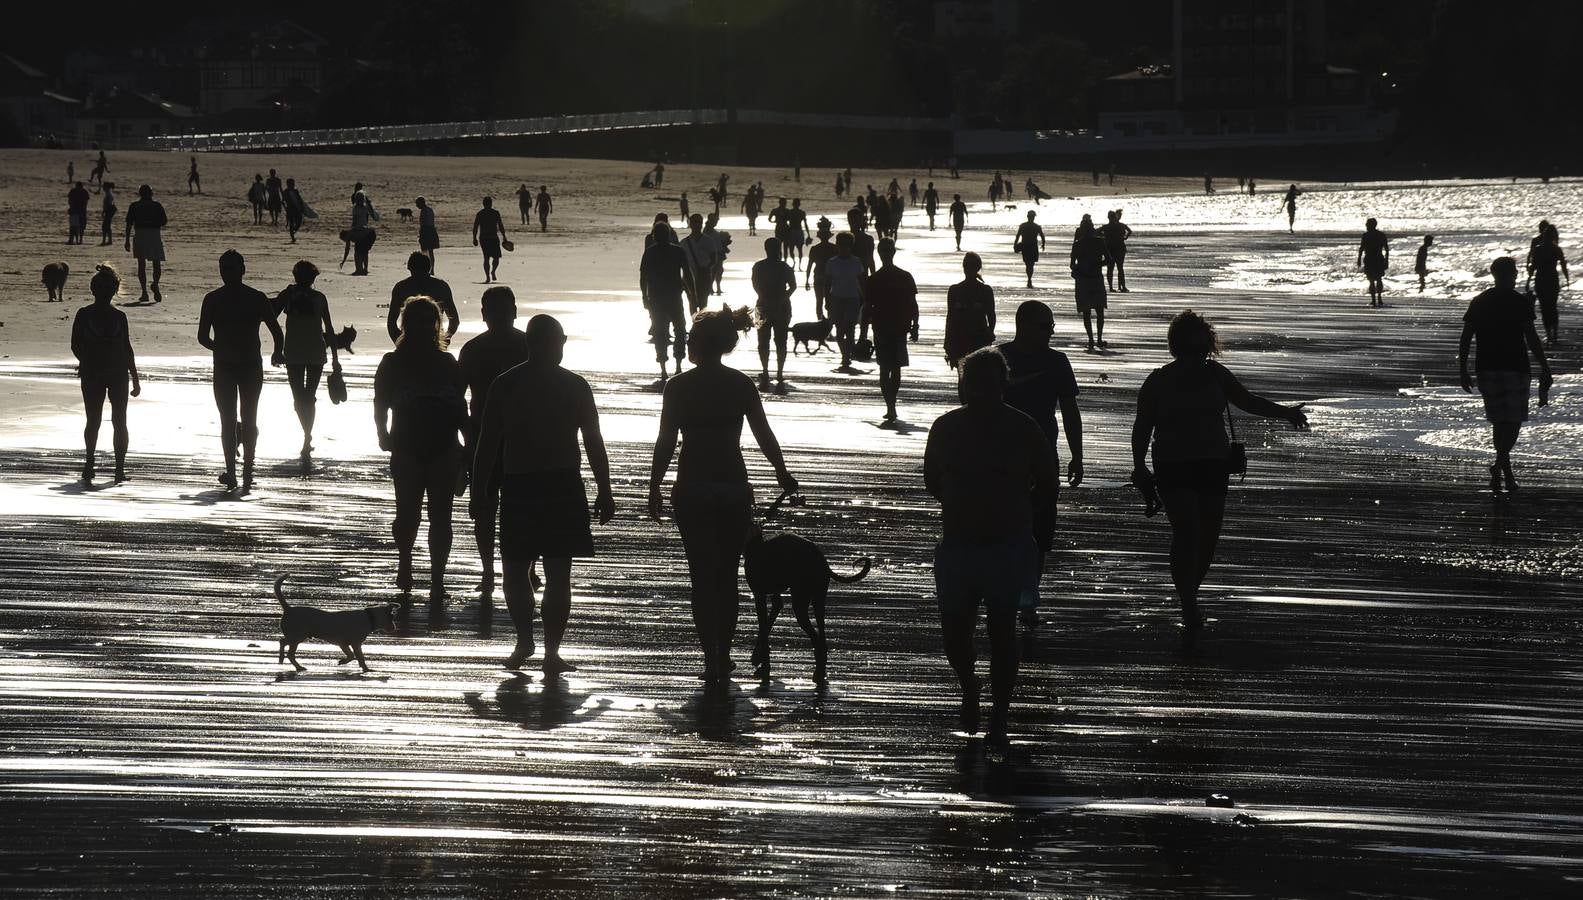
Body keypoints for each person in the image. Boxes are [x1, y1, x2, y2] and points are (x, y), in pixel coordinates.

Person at [648, 307, 799, 686]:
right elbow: (763, 433)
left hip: (693, 488)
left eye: (690, 339)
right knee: (727, 576)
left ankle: (711, 658)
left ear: (700, 344)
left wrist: (654, 485)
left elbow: (666, 441)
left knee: (702, 576)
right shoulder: (740, 385)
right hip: (732, 487)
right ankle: (724, 654)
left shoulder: (678, 387)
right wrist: (781, 472)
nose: (686, 343)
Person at [1131, 310, 1308, 631]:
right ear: (1176, 347)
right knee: (1187, 531)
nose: (1197, 356)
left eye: (1202, 350)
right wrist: (1139, 465)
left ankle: (1190, 593)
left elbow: (1248, 401)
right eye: (1190, 349)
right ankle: (1188, 604)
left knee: (1208, 538)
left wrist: (1285, 413)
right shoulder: (1158, 381)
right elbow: (1142, 426)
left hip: (1214, 462)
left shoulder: (1216, 374)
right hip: (1172, 464)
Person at [924, 347, 1057, 746]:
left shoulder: (1024, 427)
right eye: (973, 383)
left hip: (1007, 544)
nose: (979, 390)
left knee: (1002, 630)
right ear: (964, 385)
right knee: (955, 635)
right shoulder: (945, 427)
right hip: (959, 543)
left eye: (987, 383)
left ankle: (999, 715)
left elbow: (1047, 482)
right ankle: (969, 684)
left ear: (1003, 384)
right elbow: (931, 480)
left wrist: (1022, 516)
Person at [470, 314, 613, 671]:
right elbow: (593, 441)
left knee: (516, 570)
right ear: (557, 343)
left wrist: (480, 490)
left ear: (529, 343)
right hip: (561, 484)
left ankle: (526, 641)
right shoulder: (574, 385)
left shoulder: (506, 383)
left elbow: (488, 443)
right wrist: (604, 489)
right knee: (556, 573)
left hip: (521, 484)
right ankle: (549, 651)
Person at [375, 296, 468, 600]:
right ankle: (405, 561)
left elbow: (459, 406)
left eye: (429, 321)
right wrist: (382, 433)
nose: (423, 327)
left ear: (436, 325)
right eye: (417, 321)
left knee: (440, 517)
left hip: (443, 447)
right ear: (406, 325)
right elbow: (380, 402)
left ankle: (437, 579)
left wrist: (468, 444)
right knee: (407, 514)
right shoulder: (392, 363)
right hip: (407, 446)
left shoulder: (448, 363)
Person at [998, 301, 1083, 628]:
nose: (1051, 332)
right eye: (1045, 326)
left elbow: (1070, 411)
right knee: (1004, 530)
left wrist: (1077, 455)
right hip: (1002, 461)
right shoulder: (998, 359)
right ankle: (1006, 595)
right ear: (1025, 326)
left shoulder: (1057, 362)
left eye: (1051, 326)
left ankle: (1028, 600)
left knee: (1040, 533)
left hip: (1044, 457)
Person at [459, 286, 532, 602]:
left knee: (521, 509)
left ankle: (525, 570)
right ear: (484, 314)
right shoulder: (473, 350)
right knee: (485, 507)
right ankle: (489, 571)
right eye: (494, 311)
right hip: (483, 436)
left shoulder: (528, 346)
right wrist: (466, 439)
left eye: (504, 311)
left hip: (521, 440)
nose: (500, 317)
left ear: (514, 312)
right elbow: (457, 398)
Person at [1459, 257, 1554, 492]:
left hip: (1486, 367)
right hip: (1515, 366)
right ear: (1512, 274)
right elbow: (1531, 337)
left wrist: (1463, 369)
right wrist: (1544, 365)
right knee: (1513, 421)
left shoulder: (1480, 301)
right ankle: (1499, 464)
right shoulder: (1519, 301)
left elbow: (1466, 336)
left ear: (1493, 274)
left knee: (1499, 422)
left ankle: (1505, 475)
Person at [197, 250, 286, 494]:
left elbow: (203, 337)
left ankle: (242, 469)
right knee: (237, 419)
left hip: (238, 366)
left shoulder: (223, 299)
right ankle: (238, 470)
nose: (227, 273)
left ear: (242, 270)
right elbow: (202, 336)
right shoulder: (249, 298)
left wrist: (277, 352)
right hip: (237, 366)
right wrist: (277, 352)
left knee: (239, 419)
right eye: (224, 269)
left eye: (231, 269)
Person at [72, 264, 141, 484]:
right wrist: (134, 377)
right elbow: (126, 349)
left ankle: (93, 464)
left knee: (97, 420)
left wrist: (88, 361)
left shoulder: (92, 315)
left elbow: (76, 346)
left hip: (100, 373)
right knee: (115, 421)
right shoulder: (110, 316)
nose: (104, 291)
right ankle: (113, 468)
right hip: (112, 373)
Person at [272, 260, 341, 461]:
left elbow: (271, 315)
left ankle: (307, 435)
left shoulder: (291, 295)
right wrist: (335, 358)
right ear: (313, 278)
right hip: (312, 353)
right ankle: (307, 435)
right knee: (308, 397)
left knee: (300, 398)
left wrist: (277, 348)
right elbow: (329, 329)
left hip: (296, 352)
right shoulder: (317, 297)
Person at [862, 238, 920, 422]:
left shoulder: (903, 276)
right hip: (882, 328)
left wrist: (915, 325)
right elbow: (867, 307)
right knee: (885, 368)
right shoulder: (875, 279)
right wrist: (862, 333)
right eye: (883, 251)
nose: (886, 254)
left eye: (888, 251)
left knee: (894, 368)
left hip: (899, 328)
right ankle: (890, 405)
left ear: (893, 253)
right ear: (879, 253)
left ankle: (891, 404)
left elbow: (913, 303)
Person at [640, 219, 695, 379]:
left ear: (655, 236)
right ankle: (677, 365)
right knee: (679, 330)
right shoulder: (677, 251)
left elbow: (643, 277)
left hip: (657, 297)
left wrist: (644, 296)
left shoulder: (650, 252)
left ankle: (664, 367)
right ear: (669, 235)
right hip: (673, 296)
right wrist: (692, 294)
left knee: (661, 332)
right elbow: (687, 274)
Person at [751, 237, 797, 392]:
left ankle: (766, 371)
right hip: (780, 306)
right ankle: (779, 372)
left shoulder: (759, 266)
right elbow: (793, 286)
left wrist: (765, 296)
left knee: (763, 340)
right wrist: (783, 298)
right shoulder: (784, 267)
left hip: (763, 305)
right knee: (780, 340)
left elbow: (755, 285)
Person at [389, 251, 461, 344]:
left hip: (410, 340)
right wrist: (445, 339)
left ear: (409, 268)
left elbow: (391, 322)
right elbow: (454, 320)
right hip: (434, 340)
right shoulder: (441, 286)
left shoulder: (402, 287)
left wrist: (399, 342)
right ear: (429, 268)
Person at [944, 251, 995, 368]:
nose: (968, 269)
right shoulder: (956, 290)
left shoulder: (956, 290)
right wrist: (990, 332)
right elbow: (991, 315)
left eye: (970, 266)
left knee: (968, 373)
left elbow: (950, 317)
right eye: (968, 266)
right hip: (966, 338)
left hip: (972, 337)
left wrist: (990, 333)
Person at [825, 232, 867, 372]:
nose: (843, 248)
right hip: (836, 298)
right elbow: (827, 283)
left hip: (852, 298)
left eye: (846, 245)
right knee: (839, 331)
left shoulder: (856, 262)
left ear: (850, 246)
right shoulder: (832, 262)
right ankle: (845, 353)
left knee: (850, 330)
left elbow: (861, 281)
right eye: (841, 245)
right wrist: (826, 300)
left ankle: (846, 356)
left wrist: (865, 298)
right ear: (837, 245)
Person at [1070, 214, 1110, 351]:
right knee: (1099, 311)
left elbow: (1072, 264)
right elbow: (1108, 259)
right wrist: (1097, 264)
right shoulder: (1100, 242)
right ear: (1092, 229)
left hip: (1083, 280)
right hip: (1096, 278)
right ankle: (1098, 339)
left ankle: (1091, 340)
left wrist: (1080, 267)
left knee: (1086, 312)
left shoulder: (1077, 244)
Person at [1526, 225, 1569, 345]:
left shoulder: (1538, 249)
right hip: (1552, 280)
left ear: (1544, 236)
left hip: (1541, 280)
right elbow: (1563, 265)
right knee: (1552, 307)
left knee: (1544, 308)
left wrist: (1528, 280)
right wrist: (1567, 279)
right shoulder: (1556, 249)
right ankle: (1554, 333)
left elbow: (1533, 267)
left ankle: (1549, 334)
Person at [124, 185, 167, 303]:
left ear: (140, 194)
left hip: (140, 234)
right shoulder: (157, 206)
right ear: (151, 194)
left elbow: (129, 224)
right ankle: (155, 283)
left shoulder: (134, 206)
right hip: (154, 234)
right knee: (156, 263)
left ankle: (144, 292)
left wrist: (127, 240)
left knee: (141, 265)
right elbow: (164, 221)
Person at [679, 213, 719, 313]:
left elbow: (714, 259)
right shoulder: (684, 243)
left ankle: (701, 321)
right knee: (692, 302)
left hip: (704, 276)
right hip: (688, 277)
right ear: (690, 224)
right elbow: (679, 263)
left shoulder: (709, 241)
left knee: (703, 303)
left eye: (699, 223)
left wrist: (706, 269)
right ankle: (695, 321)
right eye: (695, 222)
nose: (697, 225)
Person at [472, 197, 507, 284]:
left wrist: (474, 238)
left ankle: (488, 276)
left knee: (486, 258)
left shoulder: (480, 213)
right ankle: (492, 272)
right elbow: (500, 225)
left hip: (484, 238)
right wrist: (504, 236)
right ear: (491, 204)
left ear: (483, 204)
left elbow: (475, 227)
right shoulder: (495, 213)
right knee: (496, 258)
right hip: (493, 237)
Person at [1357, 217, 1390, 307]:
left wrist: (1359, 259)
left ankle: (1374, 299)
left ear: (1370, 225)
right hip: (1378, 259)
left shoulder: (1366, 235)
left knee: (1371, 280)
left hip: (1370, 259)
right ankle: (1378, 298)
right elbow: (1387, 249)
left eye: (1367, 224)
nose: (1366, 226)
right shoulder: (1381, 235)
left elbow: (1361, 248)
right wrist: (1386, 260)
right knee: (1378, 279)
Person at [1100, 209, 1133, 292]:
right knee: (1120, 268)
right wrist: (1125, 237)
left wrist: (1103, 237)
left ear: (1108, 217)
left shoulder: (1105, 227)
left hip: (1110, 249)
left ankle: (1111, 287)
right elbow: (1129, 231)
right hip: (1120, 248)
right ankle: (1122, 287)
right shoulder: (1121, 226)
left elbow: (1096, 232)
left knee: (1110, 268)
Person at [346, 192, 377, 276]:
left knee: (358, 252)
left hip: (359, 231)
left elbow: (355, 220)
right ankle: (364, 269)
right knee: (364, 252)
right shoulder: (365, 208)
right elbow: (370, 217)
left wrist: (352, 229)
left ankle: (359, 269)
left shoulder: (356, 208)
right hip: (365, 230)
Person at [1013, 211, 1045, 289]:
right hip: (1033, 247)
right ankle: (1029, 279)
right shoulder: (1037, 226)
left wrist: (1015, 244)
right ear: (1033, 217)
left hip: (1025, 246)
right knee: (1031, 264)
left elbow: (1017, 236)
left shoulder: (1023, 226)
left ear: (1028, 217)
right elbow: (1042, 236)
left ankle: (1029, 279)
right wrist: (1043, 244)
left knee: (1028, 264)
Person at [705, 211, 731, 294]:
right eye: (715, 221)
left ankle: (716, 288)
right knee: (714, 271)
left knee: (718, 271)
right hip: (713, 254)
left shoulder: (711, 230)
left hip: (718, 254)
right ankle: (712, 288)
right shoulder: (708, 230)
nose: (716, 223)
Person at [416, 196, 439, 266]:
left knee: (424, 251)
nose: (416, 205)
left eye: (417, 204)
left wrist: (421, 234)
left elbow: (423, 224)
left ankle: (426, 267)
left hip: (426, 231)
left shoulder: (423, 211)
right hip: (432, 230)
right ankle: (432, 268)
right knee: (431, 252)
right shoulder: (430, 210)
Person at [283, 178, 307, 244]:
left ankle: (294, 230)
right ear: (288, 184)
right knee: (291, 223)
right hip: (290, 209)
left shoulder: (295, 190)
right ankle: (292, 237)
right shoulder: (286, 191)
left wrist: (302, 207)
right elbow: (283, 201)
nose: (293, 184)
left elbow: (299, 199)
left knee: (299, 221)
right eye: (291, 183)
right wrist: (285, 208)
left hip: (297, 208)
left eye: (293, 183)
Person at [99, 182, 116, 247]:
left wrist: (104, 211)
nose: (103, 188)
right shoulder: (109, 194)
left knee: (105, 226)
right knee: (107, 226)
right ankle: (109, 240)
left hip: (108, 212)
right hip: (109, 211)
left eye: (104, 186)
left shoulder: (108, 194)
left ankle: (105, 241)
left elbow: (109, 204)